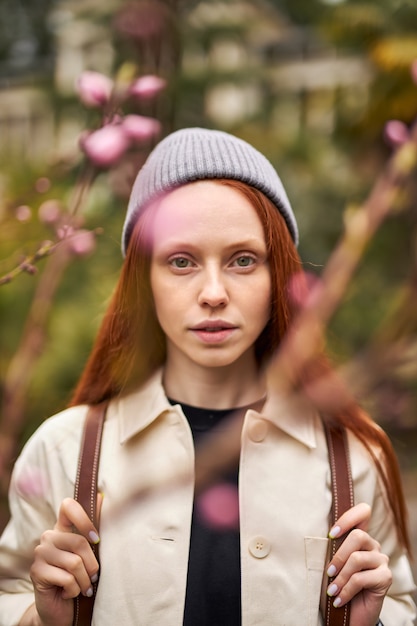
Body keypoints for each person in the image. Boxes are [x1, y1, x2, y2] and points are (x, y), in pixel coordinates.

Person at [0, 128, 415, 626]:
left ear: (278, 275)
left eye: (243, 260)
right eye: (181, 261)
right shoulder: (63, 450)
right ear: (142, 280)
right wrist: (40, 618)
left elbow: (400, 604)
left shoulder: (353, 455)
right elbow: (12, 595)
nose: (213, 292)